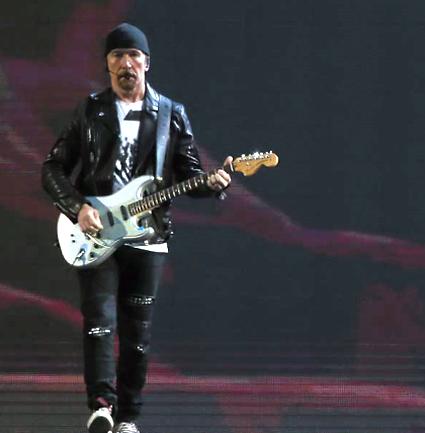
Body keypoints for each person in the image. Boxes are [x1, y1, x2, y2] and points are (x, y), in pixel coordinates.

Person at [41, 23, 232, 433]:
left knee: (137, 333)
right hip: (97, 230)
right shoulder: (90, 110)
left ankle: (128, 417)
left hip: (148, 236)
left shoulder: (171, 114)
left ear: (147, 63)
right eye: (116, 56)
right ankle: (101, 407)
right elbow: (53, 167)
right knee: (98, 320)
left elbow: (190, 175)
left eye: (133, 56)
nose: (126, 63)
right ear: (107, 64)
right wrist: (77, 208)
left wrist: (212, 184)